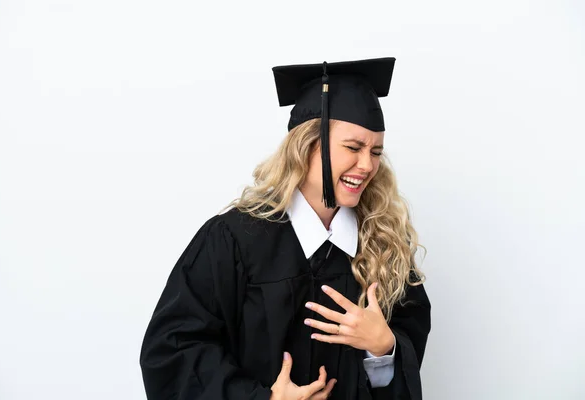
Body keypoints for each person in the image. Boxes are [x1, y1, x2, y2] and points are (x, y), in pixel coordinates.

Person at [139, 57, 431, 400]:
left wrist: (382, 347)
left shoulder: (382, 245)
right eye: (353, 147)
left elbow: (405, 344)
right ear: (307, 144)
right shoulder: (235, 240)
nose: (367, 165)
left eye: (376, 151)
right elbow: (173, 350)